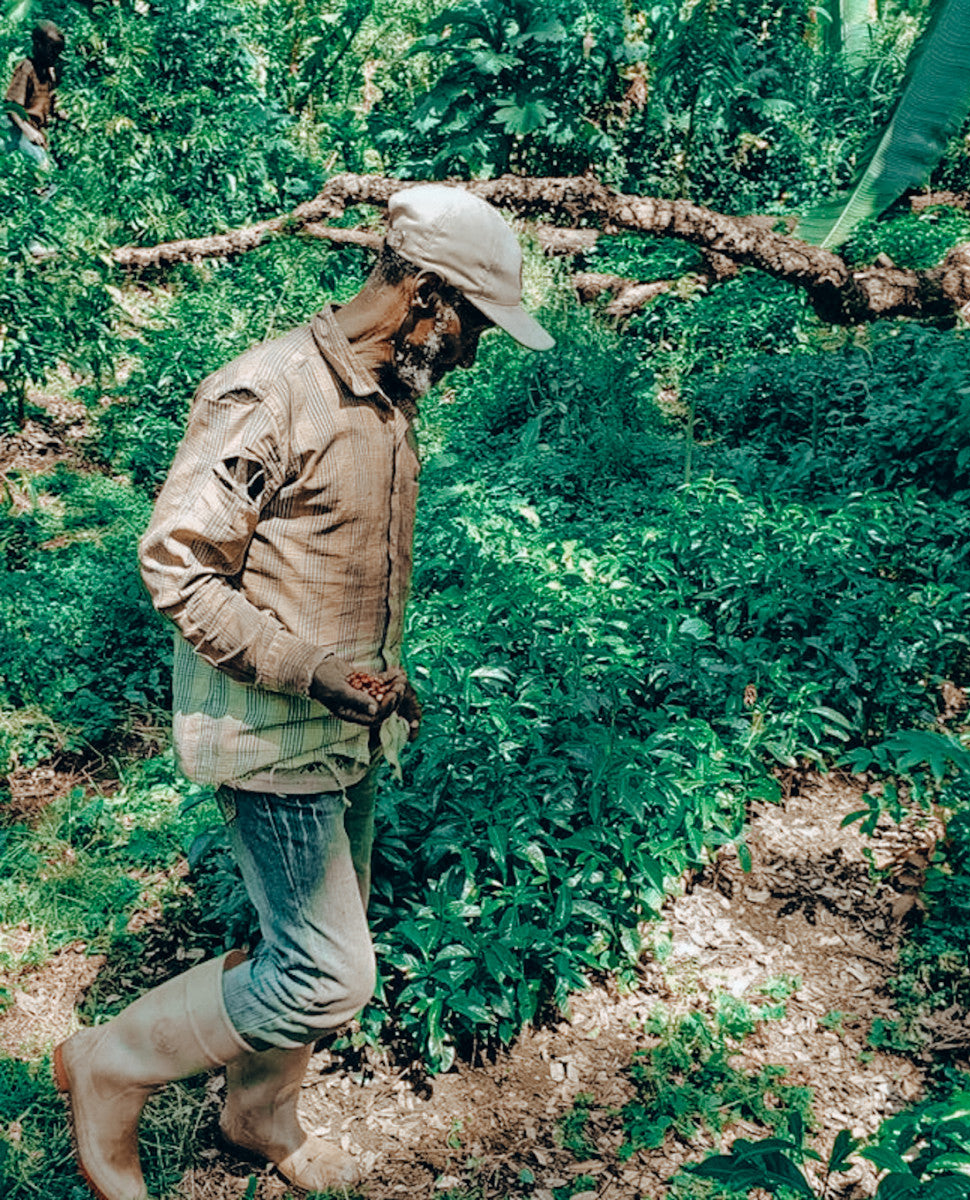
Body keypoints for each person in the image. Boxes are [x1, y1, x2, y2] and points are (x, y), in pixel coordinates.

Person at [53, 185, 555, 1200]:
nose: (473, 354)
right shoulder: (269, 393)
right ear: (422, 292)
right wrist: (316, 670)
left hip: (346, 733)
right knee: (329, 971)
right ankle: (107, 1065)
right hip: (273, 735)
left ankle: (258, 1115)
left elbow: (334, 565)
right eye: (472, 326)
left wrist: (375, 673)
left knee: (313, 946)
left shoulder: (385, 395)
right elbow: (179, 568)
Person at [5, 20, 64, 166]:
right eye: (52, 50)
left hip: (36, 130)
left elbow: (54, 106)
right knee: (42, 164)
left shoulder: (49, 73)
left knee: (57, 164)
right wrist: (28, 130)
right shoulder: (27, 68)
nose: (55, 56)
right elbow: (12, 108)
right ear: (39, 46)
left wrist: (76, 120)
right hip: (18, 129)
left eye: (58, 51)